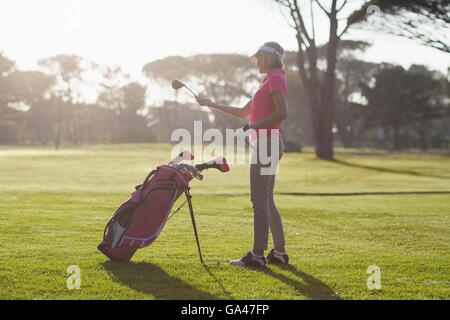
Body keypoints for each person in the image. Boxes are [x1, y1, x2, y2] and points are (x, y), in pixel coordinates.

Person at [196, 41, 289, 267]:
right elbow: (242, 111)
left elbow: (281, 113)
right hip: (268, 143)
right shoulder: (267, 81)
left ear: (268, 58)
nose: (256, 62)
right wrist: (211, 104)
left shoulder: (275, 78)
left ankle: (257, 255)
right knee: (267, 199)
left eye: (259, 57)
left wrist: (251, 127)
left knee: (259, 200)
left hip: (267, 143)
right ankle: (278, 253)